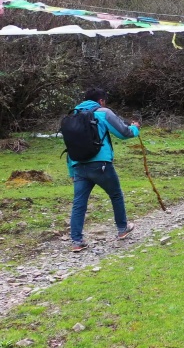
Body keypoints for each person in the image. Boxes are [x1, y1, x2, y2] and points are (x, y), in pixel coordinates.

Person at [67, 87, 140, 252]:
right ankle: (122, 229)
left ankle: (76, 241)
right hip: (101, 164)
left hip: (78, 166)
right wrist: (135, 128)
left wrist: (72, 171)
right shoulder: (103, 112)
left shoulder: (72, 116)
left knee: (79, 204)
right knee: (115, 194)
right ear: (101, 101)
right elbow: (124, 132)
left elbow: (70, 146)